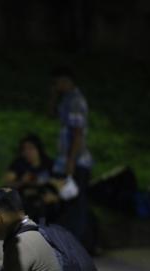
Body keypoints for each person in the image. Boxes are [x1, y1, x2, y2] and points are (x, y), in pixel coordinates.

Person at [49, 66, 95, 251]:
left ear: (66, 81)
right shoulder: (66, 100)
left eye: (57, 82)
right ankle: (71, 241)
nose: (55, 86)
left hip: (76, 161)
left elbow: (77, 134)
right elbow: (50, 114)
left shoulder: (76, 101)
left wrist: (71, 161)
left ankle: (78, 243)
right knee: (69, 201)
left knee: (77, 202)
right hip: (66, 160)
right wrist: (52, 96)